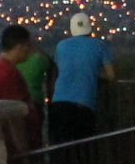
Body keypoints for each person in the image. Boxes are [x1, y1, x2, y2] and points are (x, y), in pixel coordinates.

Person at [48, 13, 114, 145]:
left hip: (58, 104)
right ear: (89, 28)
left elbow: (59, 70)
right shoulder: (99, 45)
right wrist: (94, 76)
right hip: (83, 105)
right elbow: (111, 76)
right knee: (83, 151)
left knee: (60, 151)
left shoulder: (61, 46)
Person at [0, 25, 42, 155]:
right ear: (19, 47)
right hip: (12, 145)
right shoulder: (7, 72)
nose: (29, 51)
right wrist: (23, 148)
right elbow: (14, 114)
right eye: (27, 46)